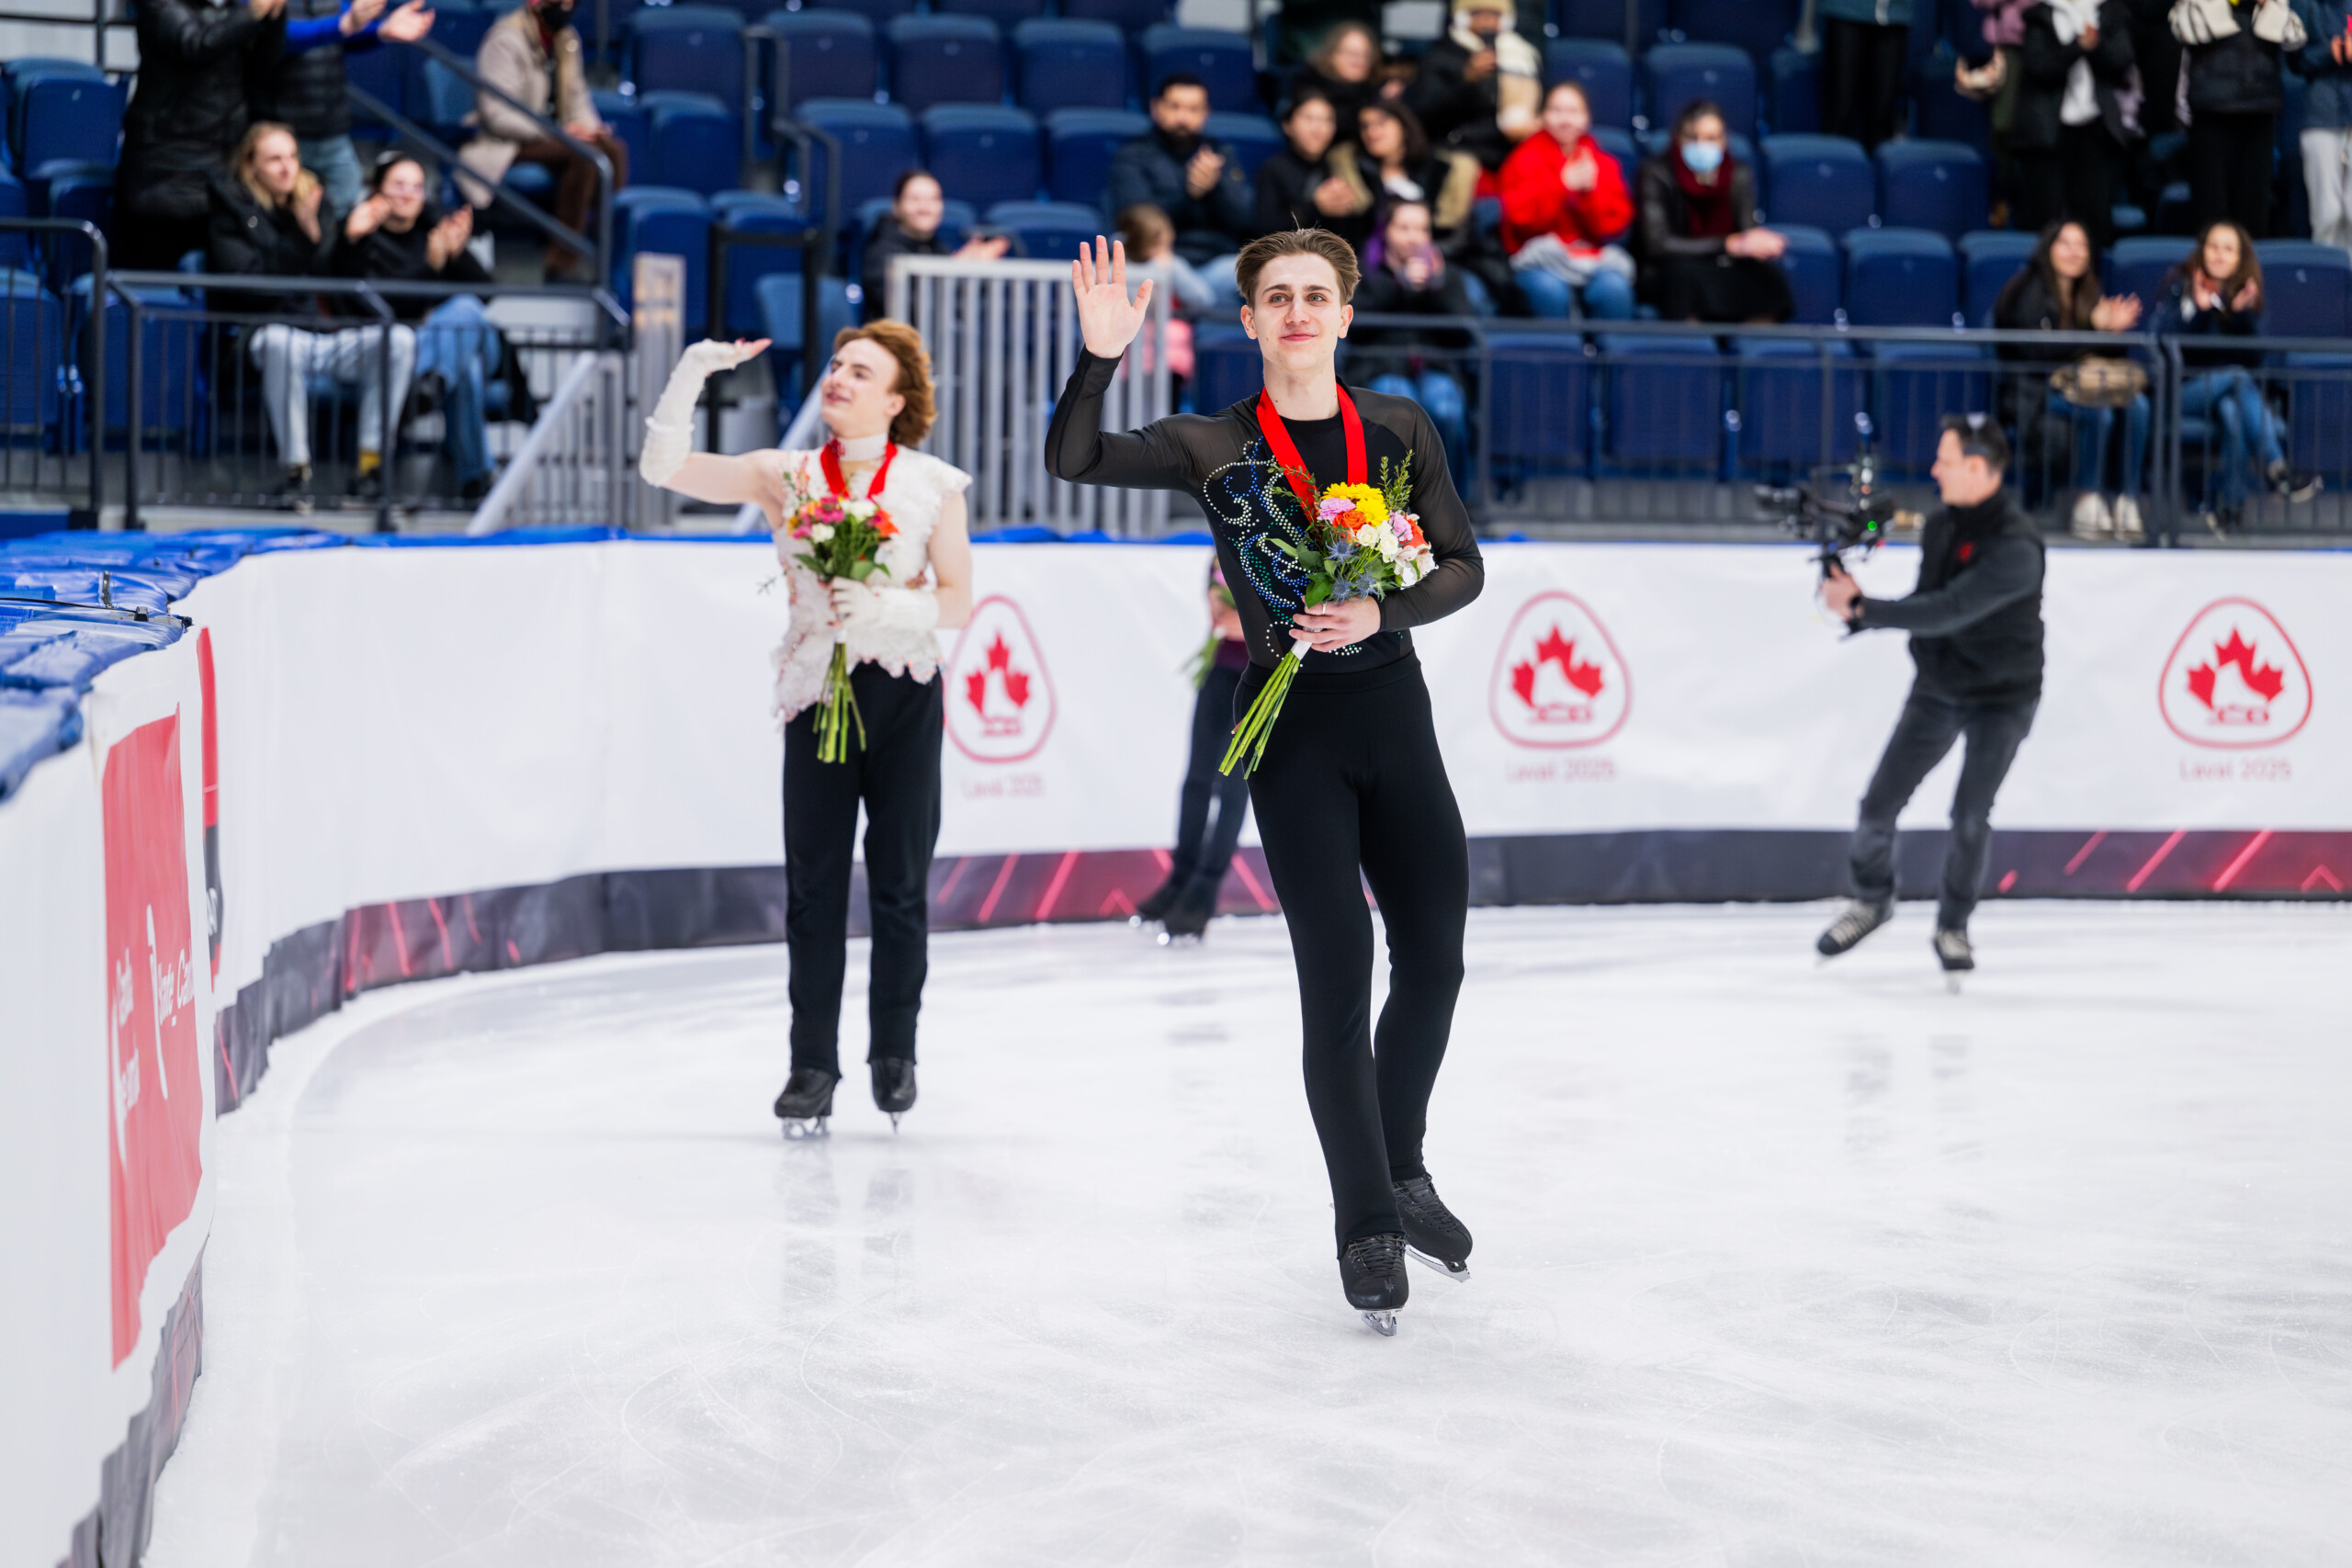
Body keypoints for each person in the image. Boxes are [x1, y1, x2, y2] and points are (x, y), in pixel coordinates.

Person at [1046, 230, 1484, 1335]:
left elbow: (1463, 565)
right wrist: (1100, 359)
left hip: (1394, 710)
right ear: (1247, 322)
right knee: (1337, 975)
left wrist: (1385, 608)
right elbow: (1076, 462)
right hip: (1288, 727)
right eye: (1275, 298)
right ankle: (1364, 1224)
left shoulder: (1397, 426)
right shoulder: (1212, 442)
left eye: (1315, 295)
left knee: (1435, 953)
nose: (1296, 310)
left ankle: (1403, 1163)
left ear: (1344, 316)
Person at [639, 322, 974, 1136]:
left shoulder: (932, 483)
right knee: (813, 889)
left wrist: (891, 604)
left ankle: (895, 1052)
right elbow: (663, 469)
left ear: (895, 401)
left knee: (897, 883)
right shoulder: (782, 475)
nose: (839, 378)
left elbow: (959, 599)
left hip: (903, 693)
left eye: (861, 372)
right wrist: (691, 373)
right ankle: (810, 1065)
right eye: (834, 365)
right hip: (815, 691)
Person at [1815, 417, 2041, 978]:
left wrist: (1867, 609)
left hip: (2002, 697)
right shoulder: (1942, 525)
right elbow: (1929, 602)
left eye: (1943, 460)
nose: (1933, 470)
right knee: (1877, 805)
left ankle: (1953, 925)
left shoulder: (2017, 547)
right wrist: (1858, 609)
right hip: (1940, 685)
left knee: (1969, 815)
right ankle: (1871, 898)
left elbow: (1950, 610)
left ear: (1977, 468)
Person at [209, 122, 417, 510]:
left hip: (324, 332)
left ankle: (371, 470)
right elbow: (248, 283)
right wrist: (302, 237)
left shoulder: (314, 202)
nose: (288, 168)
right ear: (251, 166)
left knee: (400, 339)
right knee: (280, 341)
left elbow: (334, 273)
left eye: (292, 157)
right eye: (275, 159)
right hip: (270, 332)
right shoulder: (233, 210)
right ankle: (295, 472)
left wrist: (338, 235)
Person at [334, 152, 503, 502]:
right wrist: (432, 266)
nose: (409, 194)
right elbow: (379, 308)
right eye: (398, 185)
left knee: (467, 308)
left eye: (417, 187)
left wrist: (454, 256)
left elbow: (487, 293)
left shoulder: (435, 228)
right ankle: (476, 477)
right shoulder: (363, 235)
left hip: (460, 343)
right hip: (410, 350)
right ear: (376, 190)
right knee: (466, 370)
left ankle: (431, 379)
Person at [2151, 220, 2323, 528]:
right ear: (2202, 251)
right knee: (2236, 377)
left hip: (2227, 396)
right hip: (2182, 394)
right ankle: (2277, 467)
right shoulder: (2179, 285)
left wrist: (2243, 318)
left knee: (2233, 413)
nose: (2219, 255)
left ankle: (2230, 509)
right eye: (2213, 247)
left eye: (2228, 249)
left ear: (2240, 258)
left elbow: (2258, 362)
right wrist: (2200, 313)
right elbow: (2163, 344)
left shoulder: (2246, 297)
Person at [1993, 220, 2151, 539]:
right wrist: (2094, 329)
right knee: (2098, 412)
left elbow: (2104, 355)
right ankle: (2086, 500)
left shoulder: (2089, 293)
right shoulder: (2027, 289)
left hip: (2084, 384)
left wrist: (2113, 332)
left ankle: (2127, 500)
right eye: (2065, 244)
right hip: (2038, 390)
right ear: (2048, 248)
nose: (2074, 252)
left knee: (2139, 406)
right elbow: (2037, 353)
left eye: (2081, 245)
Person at [459, 0, 630, 280]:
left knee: (613, 150)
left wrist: (592, 128)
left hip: (554, 138)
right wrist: (557, 133)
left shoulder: (566, 39)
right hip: (507, 142)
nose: (565, 7)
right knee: (583, 157)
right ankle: (561, 263)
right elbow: (497, 115)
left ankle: (609, 257)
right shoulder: (505, 40)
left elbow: (577, 98)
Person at [115, 0, 289, 270]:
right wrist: (251, 14)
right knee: (153, 286)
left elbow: (261, 70)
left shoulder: (231, 10)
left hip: (218, 175)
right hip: (165, 175)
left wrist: (273, 18)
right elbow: (195, 44)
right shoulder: (160, 6)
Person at [1133, 561, 1254, 941]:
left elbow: (1260, 622)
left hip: (1258, 679)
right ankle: (1180, 879)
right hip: (1219, 670)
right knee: (1197, 781)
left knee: (1234, 788)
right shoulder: (1220, 548)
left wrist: (1243, 618)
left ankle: (1204, 889)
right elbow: (1221, 618)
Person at [259, 0, 437, 220]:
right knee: (277, 213)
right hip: (282, 134)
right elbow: (279, 37)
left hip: (331, 127)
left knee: (344, 205)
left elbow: (346, 30)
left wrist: (380, 30)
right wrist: (346, 24)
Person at [1635, 100, 1793, 323]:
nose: (1702, 145)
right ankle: (1696, 351)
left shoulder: (1738, 174)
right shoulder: (1656, 172)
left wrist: (1758, 243)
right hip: (1672, 265)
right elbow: (1658, 243)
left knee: (1769, 279)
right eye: (1693, 137)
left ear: (1724, 140)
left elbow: (1746, 234)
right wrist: (1727, 244)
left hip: (1722, 264)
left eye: (1711, 138)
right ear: (1678, 138)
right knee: (1682, 276)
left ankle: (1753, 351)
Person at [1351, 199, 1475, 478]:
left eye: (1421, 229)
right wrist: (1397, 285)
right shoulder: (1364, 273)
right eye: (1403, 228)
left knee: (1446, 410)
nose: (1413, 237)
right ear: (1386, 231)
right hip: (1380, 368)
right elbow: (1352, 326)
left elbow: (1464, 334)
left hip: (1436, 368)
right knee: (1398, 406)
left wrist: (1436, 287)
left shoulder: (1447, 276)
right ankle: (1393, 506)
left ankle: (1451, 502)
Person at [1498, 81, 1636, 321]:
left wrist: (1589, 194)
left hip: (1590, 258)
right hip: (1539, 261)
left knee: (1614, 289)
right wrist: (1561, 187)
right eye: (1556, 110)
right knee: (1548, 290)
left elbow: (1614, 226)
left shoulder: (1602, 162)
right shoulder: (1522, 159)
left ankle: (1613, 355)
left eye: (1573, 111)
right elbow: (1517, 218)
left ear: (1586, 118)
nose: (1565, 119)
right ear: (1543, 116)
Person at [1106, 74, 1258, 293]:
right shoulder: (1133, 155)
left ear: (1206, 113)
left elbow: (1245, 220)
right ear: (1156, 108)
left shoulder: (1220, 154)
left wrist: (1216, 188)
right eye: (1174, 107)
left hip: (1217, 263)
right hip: (1160, 261)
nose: (1183, 117)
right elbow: (1136, 221)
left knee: (1263, 274)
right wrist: (1189, 194)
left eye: (1194, 109)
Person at [2011, 0, 2140, 250]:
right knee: (2045, 219)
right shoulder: (2039, 16)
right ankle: (2044, 286)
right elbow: (2040, 68)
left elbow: (2121, 59)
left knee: (2095, 219)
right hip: (2048, 134)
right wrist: (2077, 46)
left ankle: (2092, 286)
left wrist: (2096, 44)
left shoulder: (2109, 11)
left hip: (2096, 130)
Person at [2172, 0, 2305, 235]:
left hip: (2259, 110)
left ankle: (2250, 270)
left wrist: (2270, 8)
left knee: (2254, 211)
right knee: (2211, 211)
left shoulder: (2271, 5)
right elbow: (2184, 30)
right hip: (2211, 112)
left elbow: (2295, 40)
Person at [1408, 0, 1543, 171]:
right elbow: (1424, 112)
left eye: (1495, 15)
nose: (1487, 21)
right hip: (1460, 148)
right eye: (1478, 13)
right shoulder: (1438, 58)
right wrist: (1467, 80)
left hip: (1509, 149)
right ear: (1461, 17)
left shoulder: (1521, 56)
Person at [861, 169, 1012, 319]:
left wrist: (973, 270)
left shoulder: (939, 248)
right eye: (914, 199)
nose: (924, 208)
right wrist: (956, 270)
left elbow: (960, 309)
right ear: (897, 206)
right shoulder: (879, 252)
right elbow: (910, 309)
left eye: (933, 199)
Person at [1254, 88, 1375, 250]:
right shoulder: (1273, 168)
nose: (1319, 128)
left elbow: (1359, 234)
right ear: (1287, 124)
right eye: (1309, 119)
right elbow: (1264, 232)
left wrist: (1352, 204)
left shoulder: (1339, 166)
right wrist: (1315, 207)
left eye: (1327, 120)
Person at [1116, 204, 1215, 393]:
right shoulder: (1170, 266)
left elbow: (1203, 300)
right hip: (1160, 354)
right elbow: (1203, 298)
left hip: (1139, 357)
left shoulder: (1115, 267)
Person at [2290, 0, 2352, 253]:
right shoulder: (2304, 4)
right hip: (2321, 115)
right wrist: (2331, 51)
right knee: (2327, 213)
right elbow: (2296, 59)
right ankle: (2328, 280)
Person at [1819, 0, 1916, 152]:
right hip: (1845, 10)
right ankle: (1834, 172)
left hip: (1895, 13)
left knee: (1884, 114)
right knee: (1842, 110)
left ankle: (1878, 171)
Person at [1290, 21, 1394, 145]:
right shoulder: (1309, 90)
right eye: (1351, 53)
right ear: (1331, 55)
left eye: (1366, 55)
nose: (1359, 60)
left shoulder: (1377, 92)